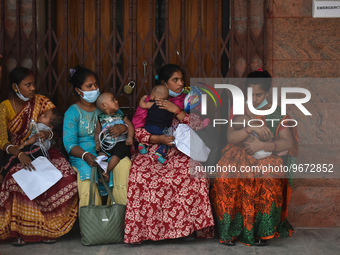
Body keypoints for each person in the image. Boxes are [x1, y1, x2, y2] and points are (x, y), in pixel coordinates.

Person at [124, 64, 215, 244]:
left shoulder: (189, 100)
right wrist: (157, 139)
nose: (181, 83)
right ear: (164, 83)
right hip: (151, 148)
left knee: (194, 174)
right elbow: (138, 129)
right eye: (175, 80)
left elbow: (198, 124)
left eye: (182, 79)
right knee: (140, 176)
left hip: (180, 148)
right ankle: (144, 233)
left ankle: (188, 229)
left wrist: (176, 111)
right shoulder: (150, 101)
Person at [210, 69, 298, 246]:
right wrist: (250, 128)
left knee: (268, 177)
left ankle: (260, 231)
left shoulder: (278, 113)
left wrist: (265, 146)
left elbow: (288, 142)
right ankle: (229, 232)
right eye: (251, 94)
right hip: (236, 153)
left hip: (267, 154)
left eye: (259, 95)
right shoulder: (240, 110)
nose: (255, 99)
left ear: (268, 92)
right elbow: (231, 138)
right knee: (227, 176)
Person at [0, 66, 78, 246]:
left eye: (34, 84)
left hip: (44, 150)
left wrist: (47, 135)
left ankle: (51, 228)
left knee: (66, 176)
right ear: (15, 86)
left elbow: (56, 124)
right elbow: (3, 141)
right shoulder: (4, 108)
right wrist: (19, 154)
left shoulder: (42, 101)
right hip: (19, 152)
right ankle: (22, 232)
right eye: (28, 85)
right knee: (16, 181)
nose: (33, 88)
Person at [63, 66, 131, 208]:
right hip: (83, 155)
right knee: (89, 177)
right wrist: (85, 155)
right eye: (89, 86)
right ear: (78, 90)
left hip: (110, 151)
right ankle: (94, 225)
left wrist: (122, 128)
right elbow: (69, 143)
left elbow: (125, 123)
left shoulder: (106, 105)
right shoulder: (72, 112)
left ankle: (121, 218)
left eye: (95, 84)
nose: (94, 88)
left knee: (123, 166)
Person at [95, 92, 134, 181]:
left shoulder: (121, 115)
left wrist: (129, 138)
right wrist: (97, 142)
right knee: (101, 156)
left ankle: (107, 171)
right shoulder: (100, 118)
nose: (116, 101)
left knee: (116, 157)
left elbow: (130, 125)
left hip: (120, 143)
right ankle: (101, 173)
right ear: (104, 106)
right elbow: (97, 132)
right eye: (113, 99)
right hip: (106, 144)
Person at [138, 85, 174, 164]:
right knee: (167, 140)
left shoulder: (151, 104)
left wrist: (143, 98)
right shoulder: (168, 105)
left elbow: (142, 105)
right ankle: (159, 154)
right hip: (161, 129)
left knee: (150, 135)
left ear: (153, 96)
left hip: (149, 126)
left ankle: (142, 144)